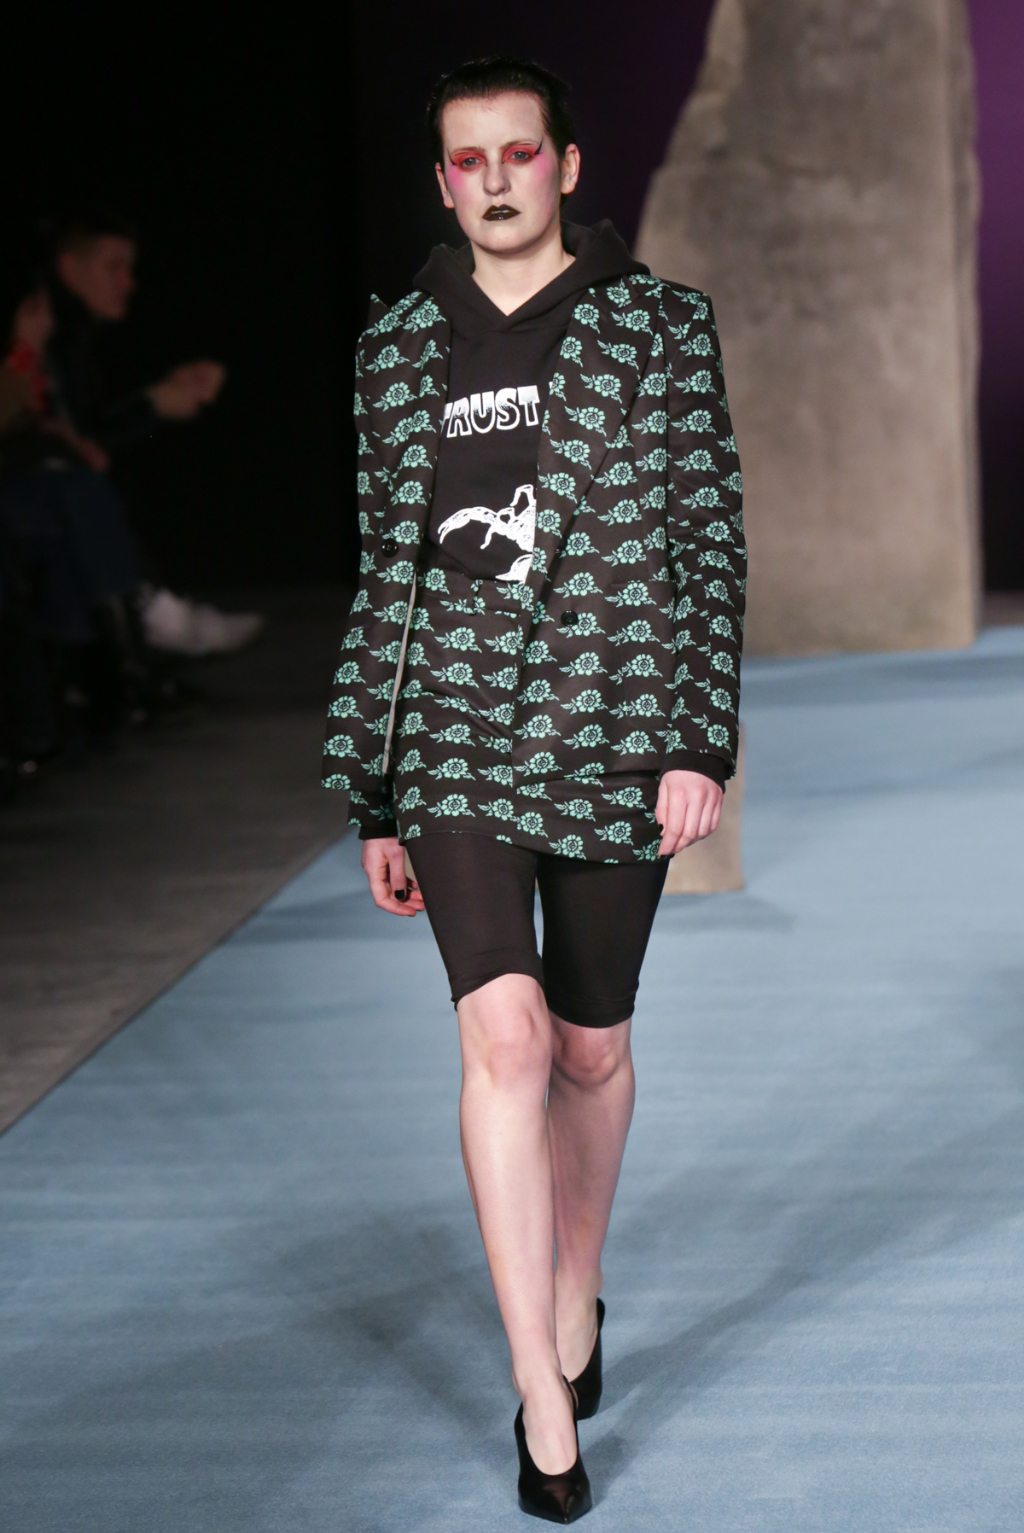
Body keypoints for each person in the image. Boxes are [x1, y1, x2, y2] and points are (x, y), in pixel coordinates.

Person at [324, 57, 745, 1522]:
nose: (495, 179)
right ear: (442, 182)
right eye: (469, 159)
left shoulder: (659, 327)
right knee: (501, 1042)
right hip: (452, 731)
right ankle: (541, 1394)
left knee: (585, 1048)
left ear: (565, 165)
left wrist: (698, 739)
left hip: (618, 719)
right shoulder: (393, 348)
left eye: (519, 152)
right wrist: (375, 792)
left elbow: (705, 535)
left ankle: (578, 1284)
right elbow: (386, 569)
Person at [45, 208, 263, 658]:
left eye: (129, 268)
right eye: (113, 267)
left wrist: (158, 399)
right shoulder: (48, 339)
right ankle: (149, 614)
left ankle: (148, 614)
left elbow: (86, 431)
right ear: (69, 268)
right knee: (79, 488)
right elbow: (76, 445)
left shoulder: (78, 339)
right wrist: (152, 405)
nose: (127, 282)